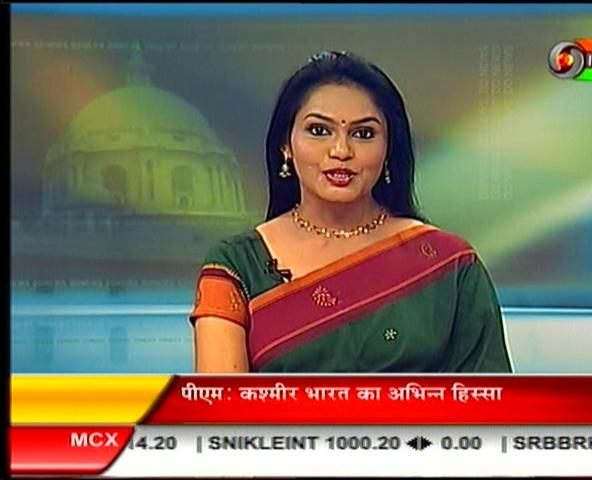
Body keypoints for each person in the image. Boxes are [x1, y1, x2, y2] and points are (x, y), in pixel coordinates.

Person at [190, 51, 512, 373]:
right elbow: (219, 401)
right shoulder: (236, 265)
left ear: (389, 149)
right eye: (319, 130)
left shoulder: (450, 265)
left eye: (363, 134)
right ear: (285, 145)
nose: (341, 151)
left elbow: (491, 399)